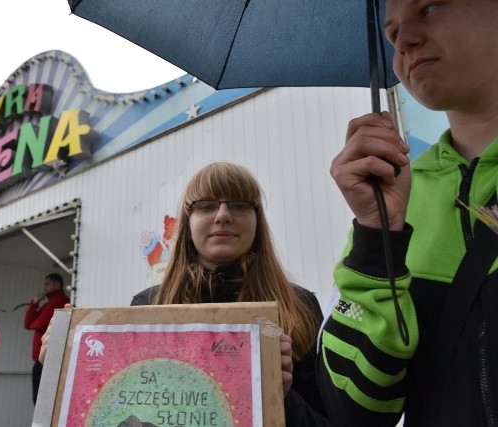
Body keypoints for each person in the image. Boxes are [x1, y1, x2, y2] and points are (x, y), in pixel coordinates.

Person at [317, 1, 498, 426]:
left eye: (429, 8)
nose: (404, 41)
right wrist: (376, 236)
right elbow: (354, 411)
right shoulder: (391, 199)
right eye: (391, 33)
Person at [130, 162, 329, 425]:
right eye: (207, 206)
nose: (223, 215)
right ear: (188, 222)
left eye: (238, 205)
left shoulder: (299, 306)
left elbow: (327, 421)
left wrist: (279, 395)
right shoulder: (147, 306)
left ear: (258, 221)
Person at [23, 272, 69, 404]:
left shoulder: (61, 301)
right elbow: (27, 324)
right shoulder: (48, 303)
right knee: (37, 400)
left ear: (57, 284)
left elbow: (40, 323)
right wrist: (35, 303)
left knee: (43, 402)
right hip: (40, 358)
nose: (44, 287)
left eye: (47, 284)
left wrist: (35, 317)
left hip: (49, 358)